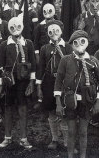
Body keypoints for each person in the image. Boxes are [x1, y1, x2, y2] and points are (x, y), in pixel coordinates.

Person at [54, 30, 99, 158]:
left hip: (87, 101)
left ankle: (83, 156)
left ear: (87, 43)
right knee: (71, 132)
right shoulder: (66, 60)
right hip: (70, 101)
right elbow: (58, 81)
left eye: (82, 41)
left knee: (83, 132)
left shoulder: (92, 60)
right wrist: (58, 103)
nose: (79, 45)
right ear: (71, 45)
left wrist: (98, 101)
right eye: (75, 42)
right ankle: (70, 156)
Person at [0, 16, 36, 150]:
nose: (16, 30)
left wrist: (32, 82)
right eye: (12, 27)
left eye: (18, 27)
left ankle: (23, 138)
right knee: (8, 108)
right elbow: (0, 64)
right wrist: (0, 84)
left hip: (23, 81)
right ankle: (7, 137)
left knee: (23, 108)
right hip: (9, 81)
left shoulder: (28, 43)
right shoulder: (4, 44)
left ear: (22, 27)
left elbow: (33, 65)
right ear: (9, 29)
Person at [36, 20, 72, 150]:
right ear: (47, 33)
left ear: (61, 31)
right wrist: (39, 86)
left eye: (56, 30)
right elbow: (40, 68)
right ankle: (55, 139)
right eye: (50, 31)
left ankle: (68, 142)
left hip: (64, 82)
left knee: (64, 112)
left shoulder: (68, 46)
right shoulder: (45, 48)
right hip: (49, 82)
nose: (53, 33)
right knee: (52, 111)